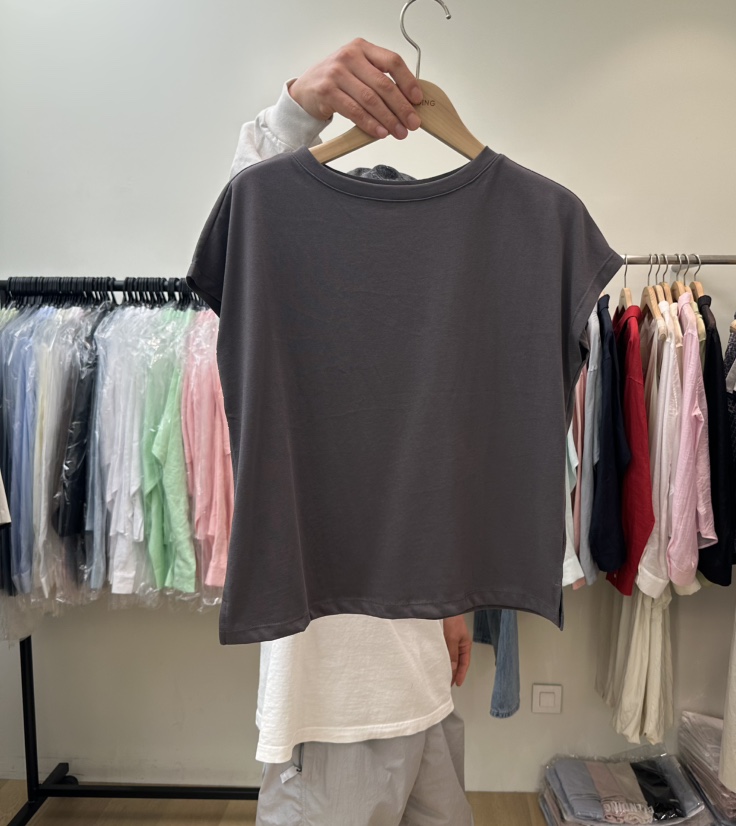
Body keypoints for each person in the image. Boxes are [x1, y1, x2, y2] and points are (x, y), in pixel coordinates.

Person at [224, 38, 475, 826]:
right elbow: (242, 226)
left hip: (426, 693)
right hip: (331, 714)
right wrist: (295, 111)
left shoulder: (426, 360)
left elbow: (435, 490)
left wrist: (451, 602)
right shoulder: (288, 341)